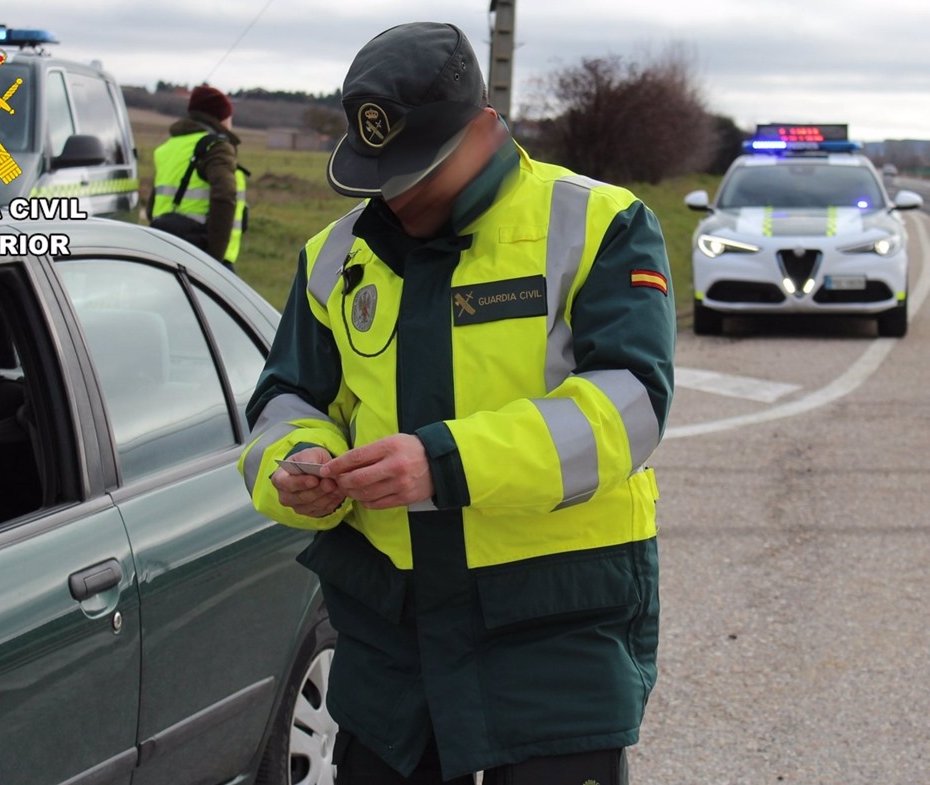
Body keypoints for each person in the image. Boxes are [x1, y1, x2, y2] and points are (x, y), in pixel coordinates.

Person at [237, 20, 675, 785]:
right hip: (391, 648)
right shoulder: (334, 259)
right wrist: (297, 462)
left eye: (419, 168)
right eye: (381, 171)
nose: (398, 192)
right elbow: (285, 399)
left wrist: (444, 464)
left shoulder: (599, 224)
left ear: (484, 126)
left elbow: (630, 404)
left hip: (555, 635)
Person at [147, 84, 247, 269]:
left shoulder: (168, 147)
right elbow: (225, 196)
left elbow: (151, 206)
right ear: (221, 118)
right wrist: (214, 260)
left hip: (163, 247)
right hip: (201, 254)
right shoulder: (216, 147)